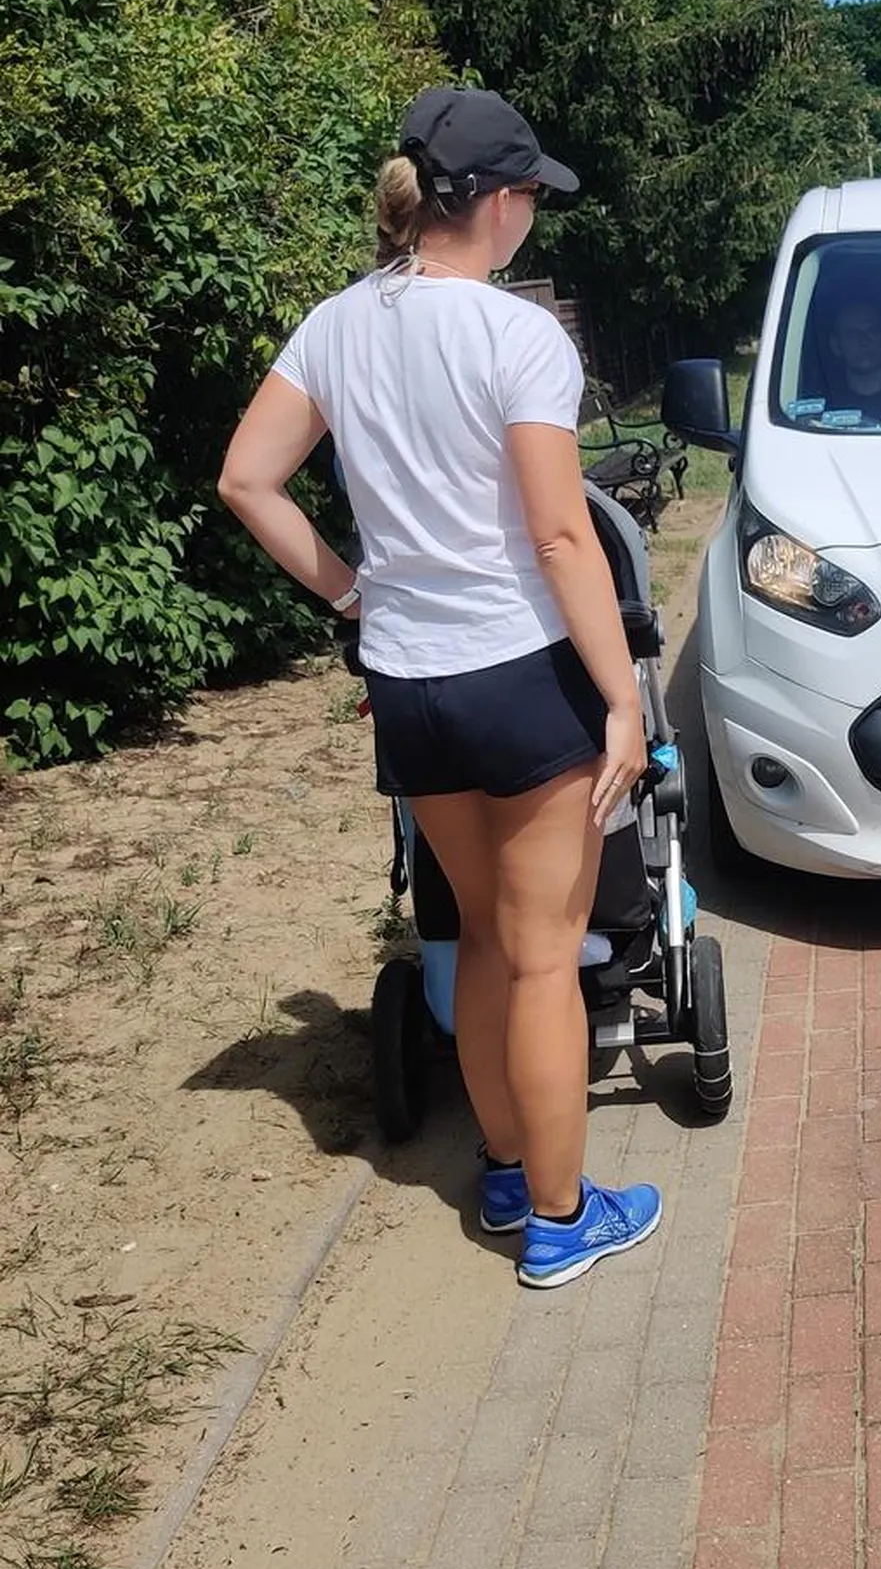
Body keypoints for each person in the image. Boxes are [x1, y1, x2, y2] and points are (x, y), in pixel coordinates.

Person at [218, 85, 662, 1291]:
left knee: (472, 943)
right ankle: (564, 1220)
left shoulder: (335, 324)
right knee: (547, 954)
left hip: (409, 686)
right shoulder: (520, 337)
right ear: (501, 202)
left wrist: (356, 596)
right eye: (532, 197)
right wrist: (622, 701)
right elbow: (566, 540)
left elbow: (247, 479)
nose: (534, 217)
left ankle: (513, 1169)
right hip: (520, 679)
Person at [817, 297, 881, 419]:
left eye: (872, 331)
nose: (863, 341)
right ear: (836, 346)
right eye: (852, 334)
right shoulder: (824, 409)